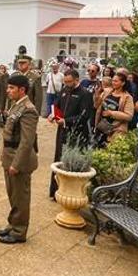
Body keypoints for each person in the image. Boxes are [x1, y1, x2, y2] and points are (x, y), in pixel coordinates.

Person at [0, 75, 39, 244]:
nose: (8, 90)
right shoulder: (16, 105)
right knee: (13, 195)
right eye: (8, 87)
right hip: (10, 156)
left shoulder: (28, 109)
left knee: (20, 197)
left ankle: (19, 231)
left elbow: (27, 141)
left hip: (19, 161)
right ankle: (13, 224)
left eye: (12, 88)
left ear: (22, 90)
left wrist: (16, 164)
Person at [47, 69, 93, 198]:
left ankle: (69, 193)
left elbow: (84, 116)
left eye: (69, 82)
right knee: (58, 158)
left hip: (76, 134)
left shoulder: (85, 94)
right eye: (65, 82)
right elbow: (57, 105)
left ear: (77, 80)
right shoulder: (64, 90)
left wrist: (66, 121)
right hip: (62, 131)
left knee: (70, 161)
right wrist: (52, 114)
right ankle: (55, 191)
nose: (67, 84)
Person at [94, 72, 135, 144]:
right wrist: (97, 96)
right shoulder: (107, 92)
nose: (113, 83)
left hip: (116, 130)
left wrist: (111, 113)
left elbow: (129, 116)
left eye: (116, 81)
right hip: (102, 127)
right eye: (112, 80)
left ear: (123, 83)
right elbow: (96, 106)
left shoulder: (127, 97)